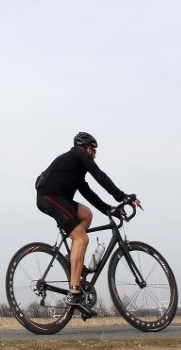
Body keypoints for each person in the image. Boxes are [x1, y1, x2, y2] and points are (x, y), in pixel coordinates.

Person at [36, 132, 139, 314]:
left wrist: (108, 209)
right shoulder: (79, 155)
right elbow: (100, 176)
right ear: (89, 149)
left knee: (87, 215)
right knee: (82, 239)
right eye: (94, 152)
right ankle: (74, 292)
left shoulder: (76, 168)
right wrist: (123, 196)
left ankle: (72, 257)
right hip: (50, 197)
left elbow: (88, 192)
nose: (94, 156)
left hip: (58, 198)